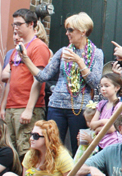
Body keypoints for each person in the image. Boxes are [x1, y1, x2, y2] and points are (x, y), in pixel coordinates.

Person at [20, 12, 103, 154]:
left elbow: (95, 83)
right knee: (52, 148)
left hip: (80, 109)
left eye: (70, 30)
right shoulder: (63, 52)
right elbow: (43, 76)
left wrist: (79, 61)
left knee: (79, 149)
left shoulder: (97, 54)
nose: (67, 33)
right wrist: (26, 59)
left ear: (82, 31)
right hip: (56, 106)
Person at [0, 9, 51, 157]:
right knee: (11, 151)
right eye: (13, 24)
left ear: (31, 24)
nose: (15, 28)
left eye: (19, 24)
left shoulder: (38, 46)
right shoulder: (17, 48)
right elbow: (10, 80)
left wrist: (29, 109)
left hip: (27, 107)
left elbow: (39, 79)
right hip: (12, 107)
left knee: (27, 151)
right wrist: (4, 107)